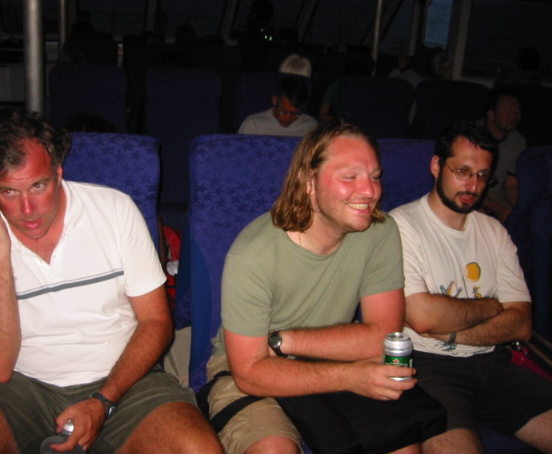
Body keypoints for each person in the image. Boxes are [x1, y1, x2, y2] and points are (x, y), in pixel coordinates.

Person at [0, 111, 223, 454]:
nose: (27, 209)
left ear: (58, 172)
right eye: (9, 192)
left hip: (121, 380)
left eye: (38, 186)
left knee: (199, 449)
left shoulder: (115, 211)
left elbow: (156, 322)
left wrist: (103, 401)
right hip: (17, 385)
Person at [206, 121, 435, 454]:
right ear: (308, 181)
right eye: (349, 176)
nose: (370, 191)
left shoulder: (380, 232)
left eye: (374, 176)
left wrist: (285, 340)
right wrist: (349, 377)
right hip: (254, 369)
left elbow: (383, 336)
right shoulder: (253, 254)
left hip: (328, 355)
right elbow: (249, 371)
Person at [390, 123, 552, 454]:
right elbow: (422, 317)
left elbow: (521, 323)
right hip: (427, 368)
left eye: (482, 175)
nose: (473, 185)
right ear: (437, 166)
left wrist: (450, 331)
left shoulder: (494, 231)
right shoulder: (400, 226)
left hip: (495, 365)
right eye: (462, 172)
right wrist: (493, 306)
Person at [479, 88, 526, 222]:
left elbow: (511, 185)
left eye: (517, 111)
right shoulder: (471, 135)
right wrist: (497, 208)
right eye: (507, 111)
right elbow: (465, 184)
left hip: (498, 198)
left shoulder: (517, 141)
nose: (514, 116)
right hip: (471, 195)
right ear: (491, 114)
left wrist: (520, 210)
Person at [238, 74, 318, 137]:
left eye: (295, 114)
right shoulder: (253, 125)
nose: (287, 118)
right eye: (283, 112)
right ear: (275, 100)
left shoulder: (311, 127)